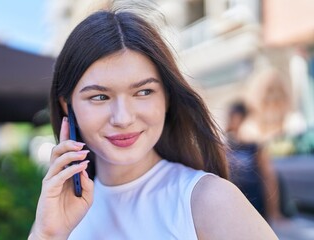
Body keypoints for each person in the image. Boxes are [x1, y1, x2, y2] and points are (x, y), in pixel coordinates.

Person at [28, 9, 278, 240]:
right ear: (66, 105)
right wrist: (46, 234)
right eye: (100, 97)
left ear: (167, 97)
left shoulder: (208, 200)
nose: (123, 118)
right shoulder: (62, 212)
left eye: (144, 92)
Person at [225, 101, 283, 222]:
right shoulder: (226, 144)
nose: (229, 121)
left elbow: (269, 177)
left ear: (241, 118)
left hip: (255, 200)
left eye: (232, 116)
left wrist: (274, 211)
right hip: (235, 201)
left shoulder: (254, 145)